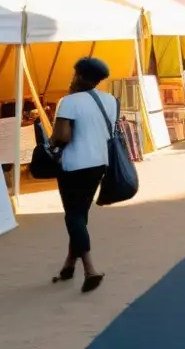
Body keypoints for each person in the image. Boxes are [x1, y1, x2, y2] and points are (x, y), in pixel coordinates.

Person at [49, 57, 116, 292]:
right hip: (99, 163)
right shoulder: (109, 100)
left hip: (73, 165)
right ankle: (69, 265)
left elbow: (62, 136)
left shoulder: (68, 102)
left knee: (73, 216)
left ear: (78, 75)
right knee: (81, 214)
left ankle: (90, 269)